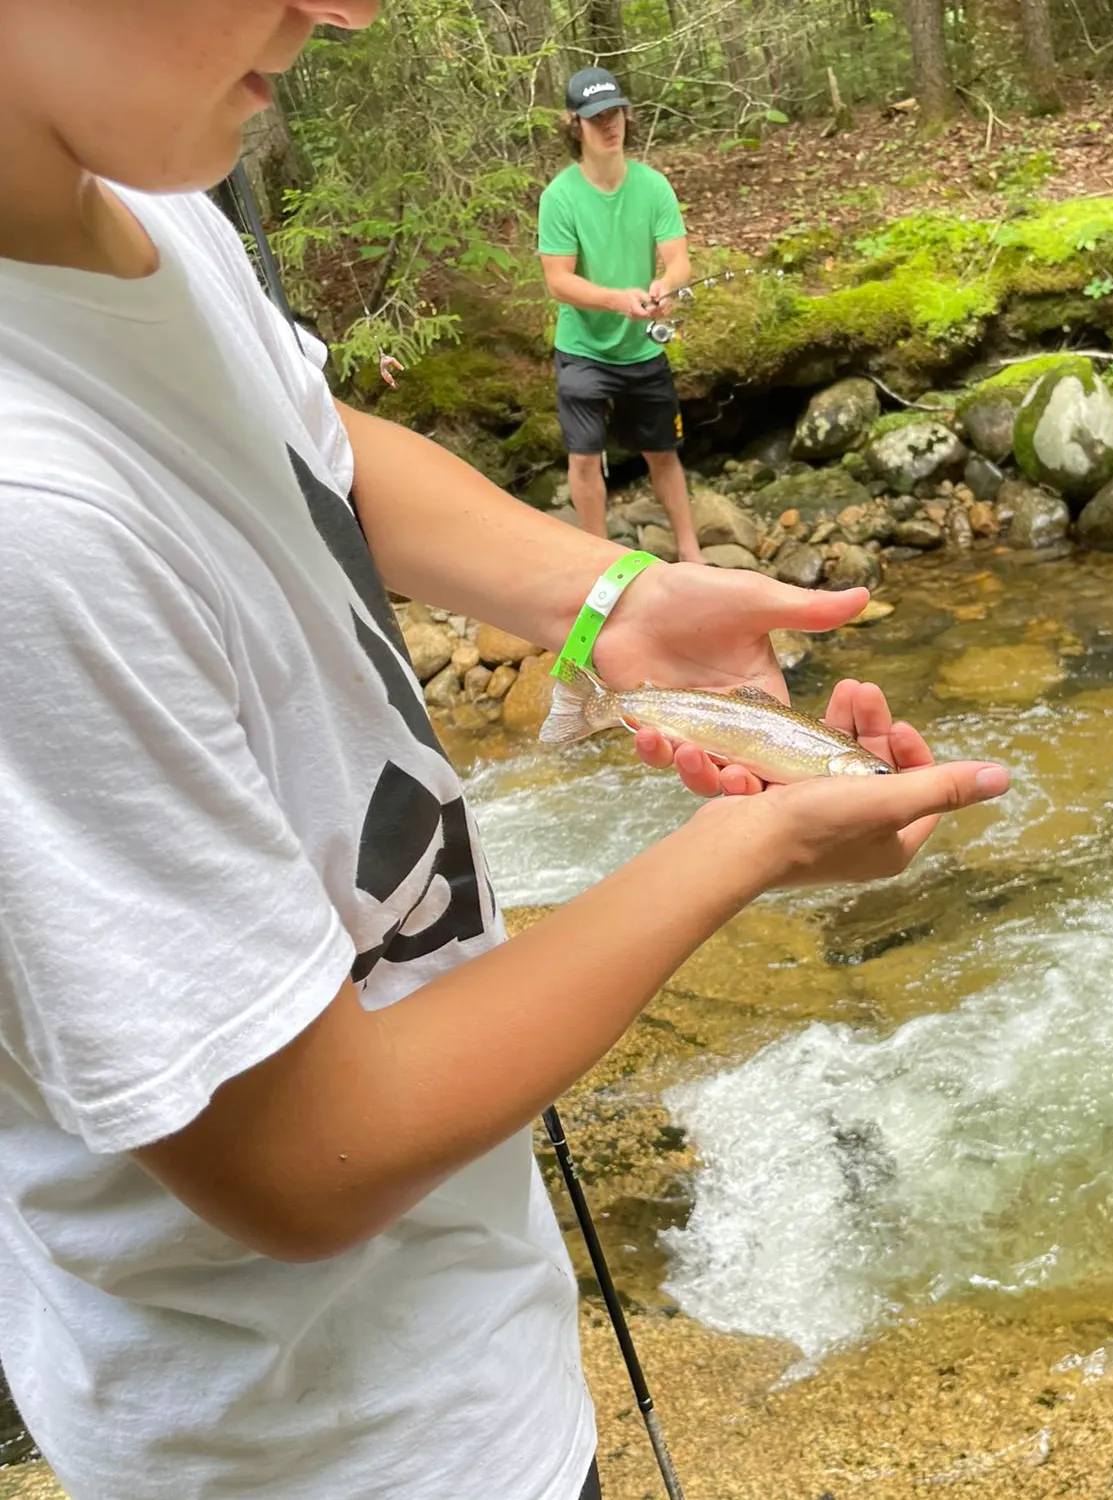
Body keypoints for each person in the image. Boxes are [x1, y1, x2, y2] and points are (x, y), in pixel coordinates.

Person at [0, 5, 1009, 1500]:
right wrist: (744, 849)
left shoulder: (145, 204)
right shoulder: (29, 530)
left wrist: (614, 600)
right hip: (307, 1450)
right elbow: (304, 1160)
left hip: (452, 1350)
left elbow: (301, 434)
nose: (344, 5)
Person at [538, 67, 703, 563]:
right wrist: (617, 300)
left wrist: (664, 286)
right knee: (585, 459)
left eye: (616, 114)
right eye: (597, 118)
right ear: (575, 125)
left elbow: (678, 260)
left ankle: (691, 552)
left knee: (663, 452)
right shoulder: (560, 197)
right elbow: (558, 281)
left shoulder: (653, 187)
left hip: (642, 349)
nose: (610, 126)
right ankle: (600, 562)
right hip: (583, 350)